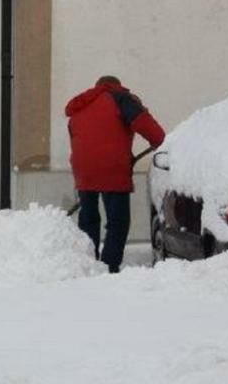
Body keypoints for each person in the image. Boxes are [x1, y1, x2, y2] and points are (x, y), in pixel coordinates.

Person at [65, 75, 165, 273]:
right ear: (116, 85)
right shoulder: (121, 98)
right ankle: (109, 264)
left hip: (83, 168)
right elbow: (150, 128)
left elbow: (76, 136)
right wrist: (158, 140)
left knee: (88, 218)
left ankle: (88, 262)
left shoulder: (81, 104)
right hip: (112, 168)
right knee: (118, 221)